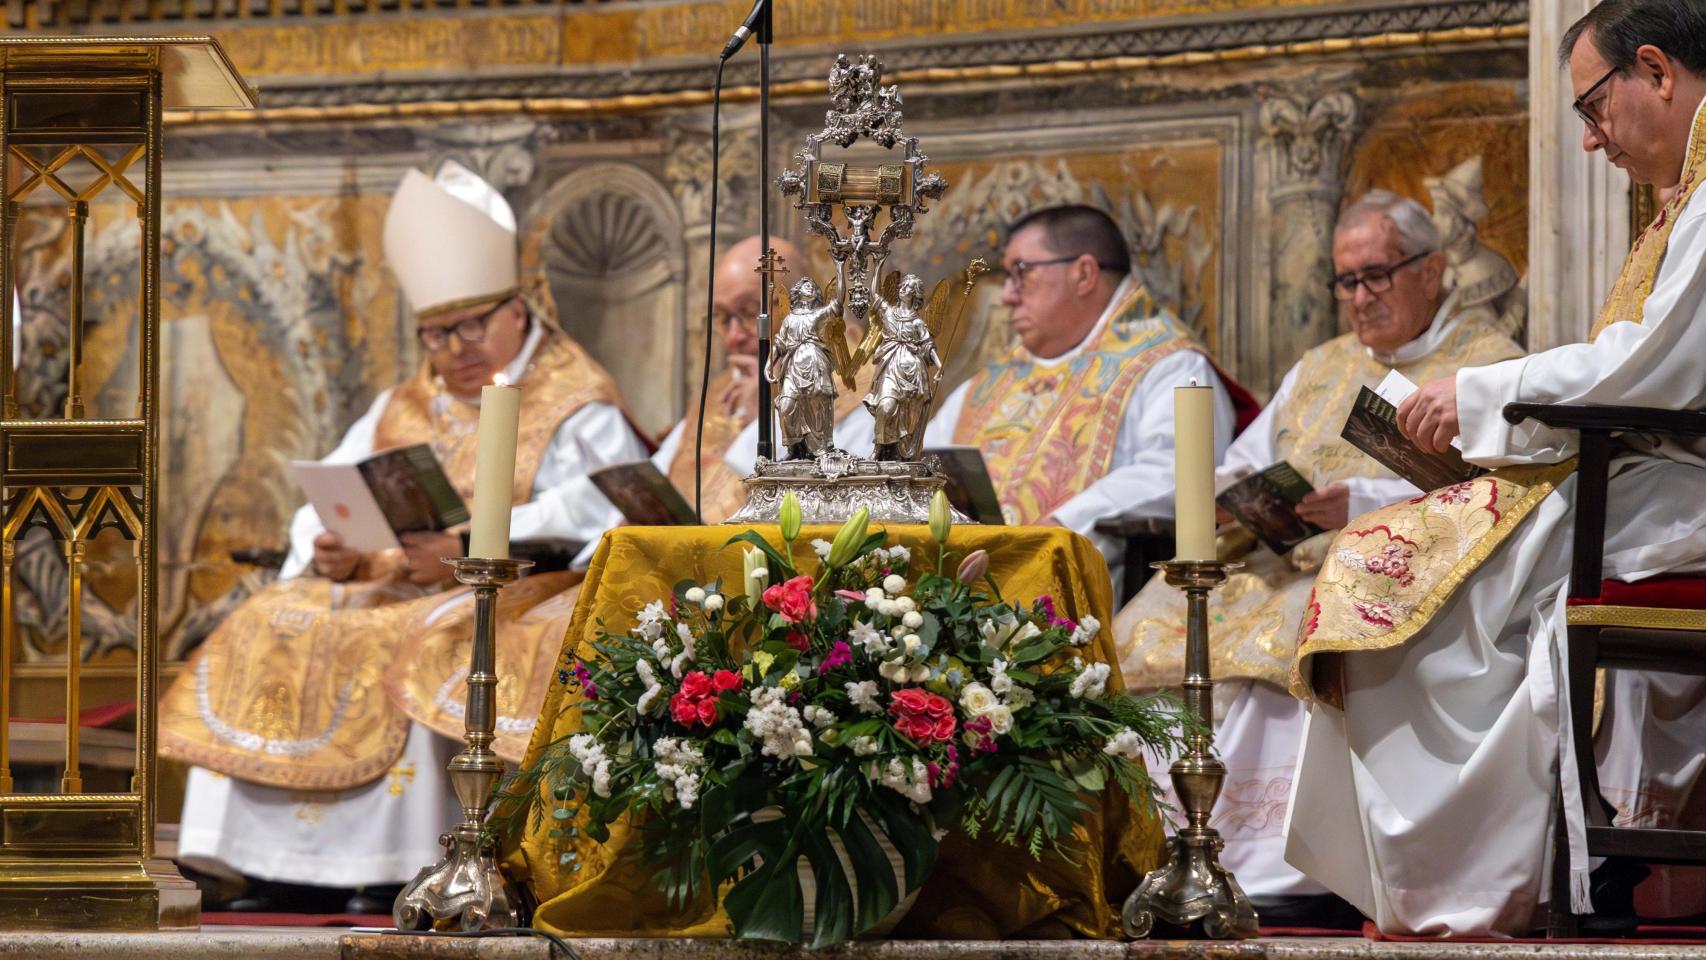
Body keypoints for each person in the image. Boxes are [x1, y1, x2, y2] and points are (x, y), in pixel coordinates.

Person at [1287, 0, 1706, 935]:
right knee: (1402, 559)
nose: (1592, 143)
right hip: (1655, 469)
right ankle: (1487, 868)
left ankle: (1472, 879)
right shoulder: (1689, 192)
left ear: (1657, 71)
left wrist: (1486, 393)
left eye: (1594, 109)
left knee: (1422, 581)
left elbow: (1657, 369)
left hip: (1683, 482)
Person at [159, 161, 647, 912]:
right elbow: (332, 484)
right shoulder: (405, 399)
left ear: (517, 309)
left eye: (468, 326)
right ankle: (252, 861)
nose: (452, 348)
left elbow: (608, 504)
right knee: (265, 618)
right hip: (387, 578)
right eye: (435, 333)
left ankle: (391, 863)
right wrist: (329, 545)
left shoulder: (572, 395)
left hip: (506, 584)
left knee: (426, 642)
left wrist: (471, 540)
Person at [1112, 190, 1523, 926]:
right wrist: (1232, 497)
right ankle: (1161, 855)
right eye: (1346, 282)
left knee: (1290, 645)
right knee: (1150, 629)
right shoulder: (1322, 364)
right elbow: (1244, 460)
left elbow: (1500, 495)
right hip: (1279, 557)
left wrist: (1361, 503)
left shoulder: (1489, 365)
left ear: (1431, 271)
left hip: (1394, 571)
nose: (1359, 299)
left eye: (1376, 275)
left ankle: (1281, 867)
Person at [922, 204, 1245, 563]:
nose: (1007, 295)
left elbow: (1175, 474)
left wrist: (1059, 528)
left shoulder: (1169, 367)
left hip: (1090, 597)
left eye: (1021, 272)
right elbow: (927, 464)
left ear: (1084, 274)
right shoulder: (993, 380)